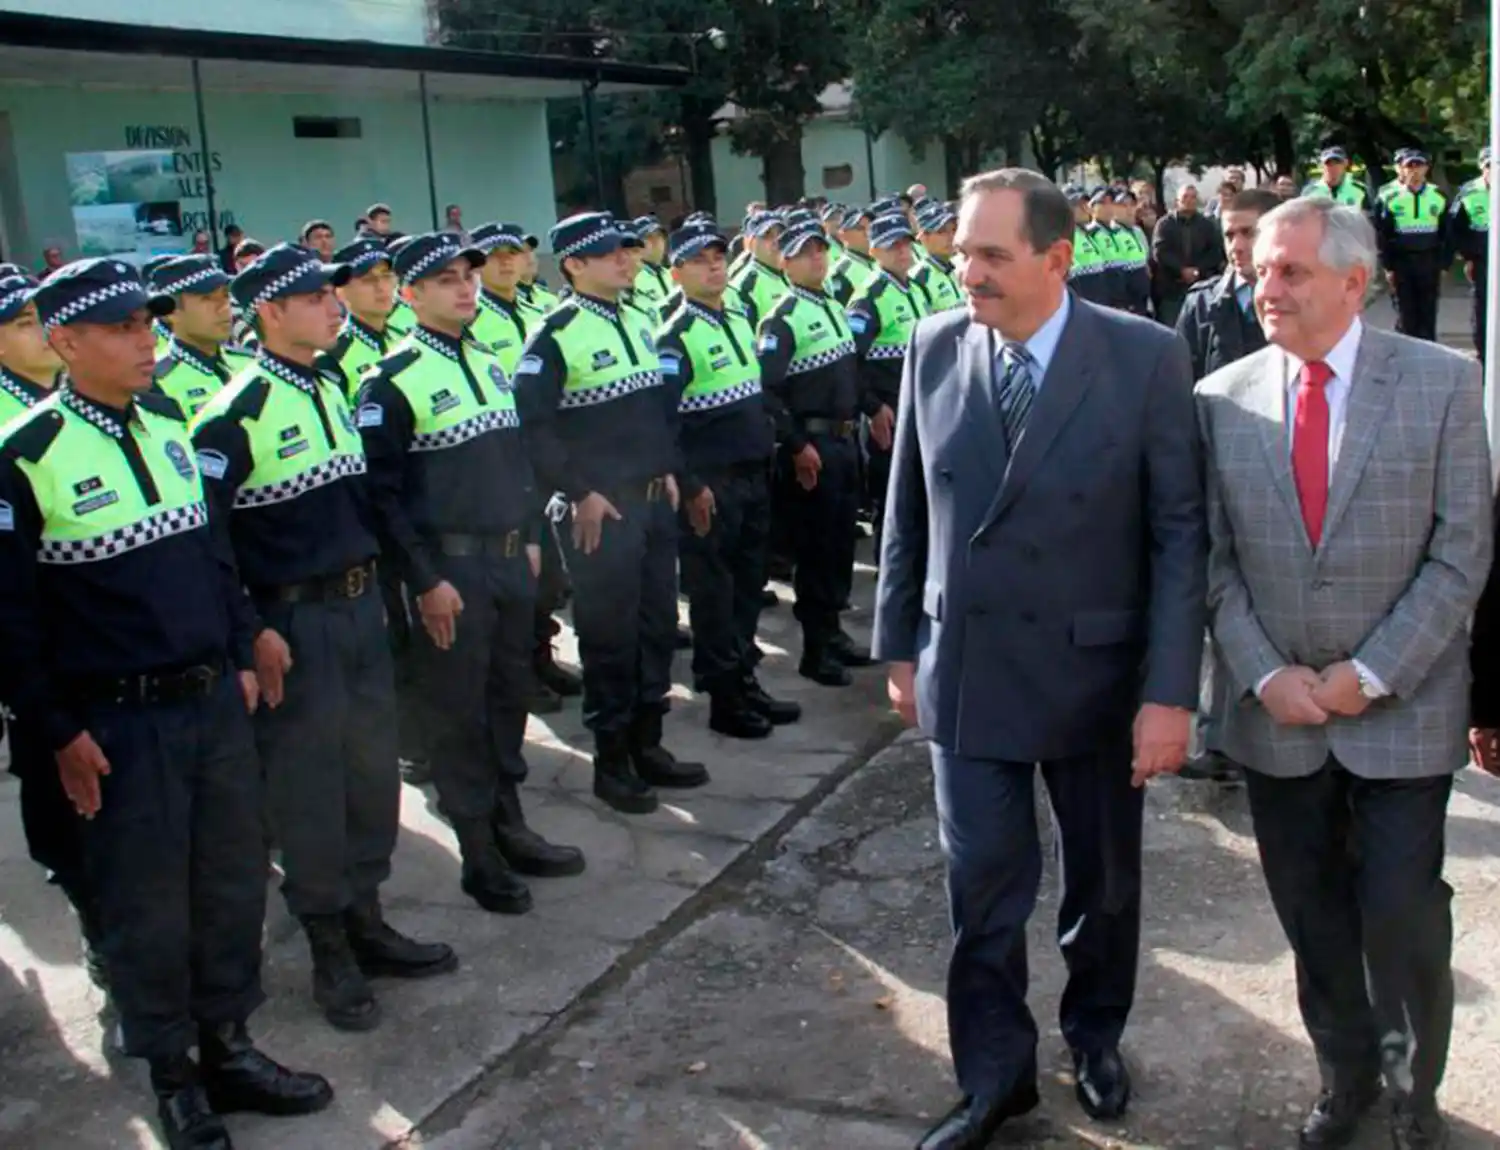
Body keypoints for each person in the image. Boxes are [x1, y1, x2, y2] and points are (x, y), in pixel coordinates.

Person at [874, 169, 1205, 1149]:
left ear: (1057, 260)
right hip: (967, 665)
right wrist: (899, 643)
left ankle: (1095, 1037)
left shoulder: (1143, 357)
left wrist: (1170, 693)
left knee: (1101, 889)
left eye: (989, 255)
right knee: (981, 888)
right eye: (959, 249)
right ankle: (993, 1080)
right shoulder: (934, 344)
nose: (963, 270)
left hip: (1095, 674)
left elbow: (1179, 536)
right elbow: (908, 510)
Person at [0, 259, 333, 1148]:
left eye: (148, 325)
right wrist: (58, 731)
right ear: (66, 341)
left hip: (211, 706)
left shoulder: (171, 424)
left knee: (227, 882)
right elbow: (10, 620)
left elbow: (211, 553)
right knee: (147, 904)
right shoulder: (23, 457)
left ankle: (231, 1045)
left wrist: (245, 637)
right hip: (116, 724)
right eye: (120, 329)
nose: (146, 342)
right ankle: (174, 1075)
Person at [1196, 197, 1492, 1150]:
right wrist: (1262, 673)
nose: (1264, 285)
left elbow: (1461, 552)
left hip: (1400, 714)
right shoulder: (1221, 398)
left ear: (1355, 284)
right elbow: (1213, 560)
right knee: (1313, 916)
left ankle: (1413, 1092)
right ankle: (1345, 1078)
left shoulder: (1443, 384)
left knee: (1402, 916)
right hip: (1279, 720)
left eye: (1291, 272)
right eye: (1261, 269)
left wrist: (1370, 673)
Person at [191, 244, 457, 1033]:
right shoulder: (233, 415)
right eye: (313, 298)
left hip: (358, 607)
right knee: (308, 786)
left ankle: (367, 914)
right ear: (270, 312)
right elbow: (211, 544)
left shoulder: (332, 384)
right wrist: (250, 634)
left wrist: (406, 581)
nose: (333, 306)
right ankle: (328, 942)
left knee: (370, 772)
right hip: (291, 625)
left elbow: (370, 502)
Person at [358, 231, 585, 911]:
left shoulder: (487, 360)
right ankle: (479, 851)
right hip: (450, 572)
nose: (466, 288)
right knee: (456, 712)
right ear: (411, 294)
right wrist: (424, 581)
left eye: (469, 276)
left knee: (505, 696)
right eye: (446, 279)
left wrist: (533, 533)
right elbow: (382, 498)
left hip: (510, 560)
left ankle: (509, 821)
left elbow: (517, 461)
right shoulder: (390, 380)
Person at [513, 212, 708, 815]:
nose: (626, 260)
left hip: (651, 504)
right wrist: (578, 491)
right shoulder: (554, 335)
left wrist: (670, 471)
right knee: (609, 638)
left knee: (654, 630)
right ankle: (612, 761)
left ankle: (648, 744)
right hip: (600, 513)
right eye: (609, 254)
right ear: (573, 264)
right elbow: (533, 429)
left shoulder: (639, 319)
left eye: (627, 250)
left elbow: (658, 417)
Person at [655, 222, 801, 738]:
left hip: (751, 477)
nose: (714, 266)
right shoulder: (673, 337)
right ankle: (724, 696)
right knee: (714, 596)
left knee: (745, 588)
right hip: (711, 488)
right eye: (700, 260)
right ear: (676, 273)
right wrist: (691, 486)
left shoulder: (736, 317)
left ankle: (744, 678)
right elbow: (664, 425)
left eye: (719, 257)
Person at [0, 272, 102, 984]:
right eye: (24, 321)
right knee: (55, 786)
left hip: (102, 639)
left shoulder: (77, 402)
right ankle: (95, 922)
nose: (40, 331)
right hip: (35, 643)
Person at [1173, 187, 1281, 783]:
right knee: (1219, 603)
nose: (1238, 245)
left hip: (1281, 476)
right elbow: (1181, 386)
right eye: (1232, 233)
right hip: (1216, 473)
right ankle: (1220, 741)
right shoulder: (1203, 304)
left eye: (1250, 232)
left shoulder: (1289, 297)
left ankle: (1268, 728)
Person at [756, 219, 878, 686]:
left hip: (844, 441)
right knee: (815, 548)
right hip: (813, 446)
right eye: (805, 253)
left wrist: (871, 408)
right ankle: (815, 647)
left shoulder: (830, 306)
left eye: (820, 251)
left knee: (840, 544)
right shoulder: (781, 317)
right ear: (784, 261)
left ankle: (834, 633)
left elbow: (850, 372)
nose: (817, 259)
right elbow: (768, 392)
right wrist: (797, 444)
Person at [467, 222, 582, 711]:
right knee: (517, 575)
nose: (508, 262)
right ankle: (517, 674)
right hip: (499, 459)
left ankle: (540, 652)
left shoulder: (541, 310)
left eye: (515, 253)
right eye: (496, 256)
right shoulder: (471, 318)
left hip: (542, 453)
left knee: (548, 573)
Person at [846, 213, 919, 558]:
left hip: (916, 410)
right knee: (890, 504)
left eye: (905, 243)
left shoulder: (913, 288)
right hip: (887, 417)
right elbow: (851, 363)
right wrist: (873, 407)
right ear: (874, 250)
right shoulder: (868, 299)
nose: (902, 252)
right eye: (893, 246)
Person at [148, 255, 254, 418]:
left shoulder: (248, 363)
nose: (223, 307)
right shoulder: (156, 383)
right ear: (172, 312)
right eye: (207, 299)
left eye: (225, 295)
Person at [1375, 148, 1448, 343]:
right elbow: (1382, 234)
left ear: (1426, 168)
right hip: (1402, 263)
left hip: (1429, 261)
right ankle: (1405, 357)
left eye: (1419, 166)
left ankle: (1429, 354)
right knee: (1406, 313)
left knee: (1428, 312)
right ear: (1402, 169)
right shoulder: (1389, 197)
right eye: (1410, 166)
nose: (1414, 171)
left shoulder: (1438, 195)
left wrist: (1444, 264)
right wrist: (1388, 266)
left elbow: (1446, 233)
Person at [1151, 183, 1223, 325]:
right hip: (1171, 288)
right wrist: (1181, 270)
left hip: (1200, 286)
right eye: (1185, 197)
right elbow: (1160, 251)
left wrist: (1198, 270)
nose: (1189, 200)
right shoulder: (1165, 224)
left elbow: (1215, 252)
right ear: (1177, 201)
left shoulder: (1207, 225)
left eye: (1193, 197)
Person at [1449, 146, 1490, 363]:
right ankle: (1483, 356)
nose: (1493, 170)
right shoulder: (1469, 191)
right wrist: (1468, 256)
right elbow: (1457, 227)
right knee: (1482, 309)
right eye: (1489, 166)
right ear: (1482, 167)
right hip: (1482, 261)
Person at [1302, 146, 1371, 210]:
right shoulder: (1310, 192)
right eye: (1328, 163)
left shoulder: (1360, 190)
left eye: (1337, 163)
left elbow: (1368, 219)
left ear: (1345, 163)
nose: (1333, 167)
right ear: (1321, 165)